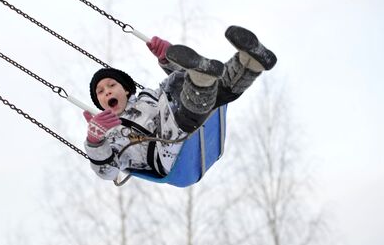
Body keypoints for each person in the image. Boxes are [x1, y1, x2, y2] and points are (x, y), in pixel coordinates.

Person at [83, 25, 277, 181]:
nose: (107, 91)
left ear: (126, 89)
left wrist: (166, 59)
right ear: (100, 102)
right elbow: (107, 172)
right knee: (175, 111)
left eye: (111, 85)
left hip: (183, 126)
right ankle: (201, 80)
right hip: (163, 153)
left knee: (178, 83)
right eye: (100, 92)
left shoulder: (147, 97)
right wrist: (95, 141)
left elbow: (173, 89)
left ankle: (250, 62)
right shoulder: (111, 135)